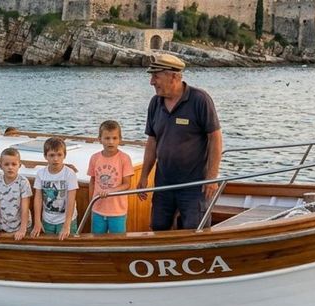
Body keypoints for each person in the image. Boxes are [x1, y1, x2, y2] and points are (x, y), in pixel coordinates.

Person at [136, 54, 223, 231]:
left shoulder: (200, 99)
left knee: (195, 230)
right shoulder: (155, 103)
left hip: (194, 186)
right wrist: (144, 175)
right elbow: (152, 141)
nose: (152, 82)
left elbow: (216, 138)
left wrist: (211, 178)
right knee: (158, 227)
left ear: (174, 76)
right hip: (163, 183)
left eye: (156, 76)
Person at [87, 120, 134, 234]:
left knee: (117, 242)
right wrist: (90, 204)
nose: (111, 142)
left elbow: (127, 184)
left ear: (120, 139)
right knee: (97, 241)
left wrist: (110, 191)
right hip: (97, 209)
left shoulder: (124, 158)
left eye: (114, 138)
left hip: (117, 211)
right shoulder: (94, 158)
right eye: (107, 138)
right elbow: (92, 182)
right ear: (100, 139)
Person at [30, 137, 79, 240]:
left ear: (64, 155)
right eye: (51, 155)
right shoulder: (40, 174)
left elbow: (71, 200)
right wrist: (37, 221)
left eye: (59, 155)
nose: (55, 159)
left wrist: (67, 225)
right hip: (47, 220)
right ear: (45, 156)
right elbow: (38, 199)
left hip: (66, 220)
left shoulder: (70, 174)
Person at [0, 148, 32, 241]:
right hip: (3, 227)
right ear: (0, 166)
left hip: (23, 227)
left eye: (14, 164)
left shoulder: (23, 182)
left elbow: (25, 207)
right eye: (6, 164)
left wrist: (23, 229)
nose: (10, 167)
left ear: (19, 165)